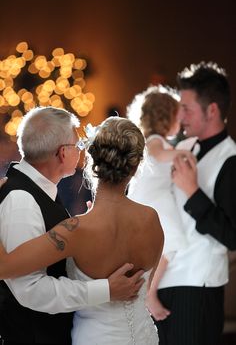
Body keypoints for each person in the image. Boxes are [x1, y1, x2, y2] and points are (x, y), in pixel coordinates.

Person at [0, 116, 164, 344]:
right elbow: (143, 290)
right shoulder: (151, 219)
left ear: (91, 161)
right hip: (144, 334)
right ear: (135, 167)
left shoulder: (75, 230)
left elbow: (4, 266)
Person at [155, 62, 236, 345]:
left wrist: (193, 193)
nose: (181, 116)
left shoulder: (231, 160)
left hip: (196, 289)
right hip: (163, 282)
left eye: (187, 108)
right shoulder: (185, 148)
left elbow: (233, 236)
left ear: (212, 110)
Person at [127, 85, 193, 321]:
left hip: (150, 198)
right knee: (171, 243)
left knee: (160, 248)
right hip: (155, 201)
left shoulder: (150, 140)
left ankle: (147, 290)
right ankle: (149, 291)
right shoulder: (156, 141)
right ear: (167, 118)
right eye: (178, 116)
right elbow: (158, 155)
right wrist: (182, 154)